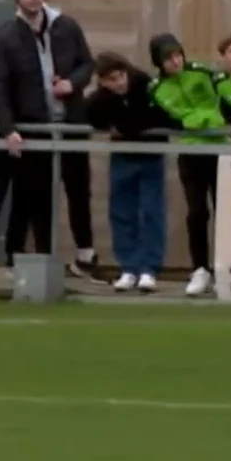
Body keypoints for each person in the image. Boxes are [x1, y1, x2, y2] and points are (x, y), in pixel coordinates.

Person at [0, 0, 98, 282]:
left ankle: (85, 253)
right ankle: (5, 257)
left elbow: (88, 64)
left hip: (69, 122)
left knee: (78, 187)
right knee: (31, 195)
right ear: (17, 0)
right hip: (32, 125)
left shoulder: (66, 27)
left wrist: (71, 84)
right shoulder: (7, 37)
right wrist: (7, 127)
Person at [82, 51, 170, 292]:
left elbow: (158, 118)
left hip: (150, 156)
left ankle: (149, 269)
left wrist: (126, 128)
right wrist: (109, 126)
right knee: (121, 212)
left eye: (121, 76)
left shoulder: (145, 84)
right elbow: (90, 115)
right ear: (101, 81)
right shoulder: (99, 99)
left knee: (151, 213)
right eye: (112, 79)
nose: (120, 83)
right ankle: (129, 268)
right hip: (122, 158)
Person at [144, 36, 224, 296]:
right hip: (190, 154)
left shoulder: (203, 73)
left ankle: (227, 269)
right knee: (197, 213)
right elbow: (175, 119)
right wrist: (194, 121)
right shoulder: (156, 88)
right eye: (168, 58)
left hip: (219, 149)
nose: (176, 61)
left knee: (226, 212)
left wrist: (202, 119)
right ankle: (200, 269)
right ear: (159, 62)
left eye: (178, 55)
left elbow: (219, 105)